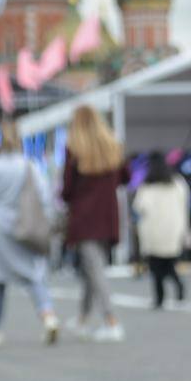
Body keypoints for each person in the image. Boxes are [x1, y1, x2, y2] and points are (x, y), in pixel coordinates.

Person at [0, 123, 59, 347]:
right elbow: (44, 196)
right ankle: (48, 316)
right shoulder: (29, 166)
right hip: (22, 227)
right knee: (33, 276)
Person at [61, 103, 128, 342]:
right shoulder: (112, 146)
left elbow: (67, 190)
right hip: (108, 216)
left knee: (95, 269)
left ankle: (111, 321)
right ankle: (83, 318)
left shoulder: (74, 149)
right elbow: (126, 177)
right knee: (92, 267)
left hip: (84, 218)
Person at [132, 153, 191, 309]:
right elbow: (184, 206)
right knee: (170, 264)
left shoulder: (146, 186)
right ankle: (179, 287)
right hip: (173, 229)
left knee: (156, 268)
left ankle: (159, 299)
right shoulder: (177, 182)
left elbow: (139, 207)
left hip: (152, 231)